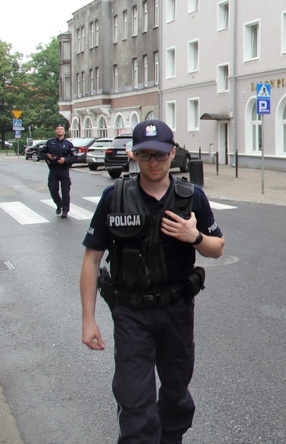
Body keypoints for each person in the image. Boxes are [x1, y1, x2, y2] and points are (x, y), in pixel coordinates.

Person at [79, 119, 225, 442]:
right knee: (135, 402)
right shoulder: (113, 198)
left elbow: (217, 248)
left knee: (175, 394)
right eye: (145, 155)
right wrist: (88, 320)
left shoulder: (192, 198)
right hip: (131, 314)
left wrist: (195, 236)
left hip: (176, 310)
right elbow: (91, 259)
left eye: (160, 154)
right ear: (134, 155)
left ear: (173, 153)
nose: (154, 162)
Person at [38, 122, 78, 218]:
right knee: (53, 190)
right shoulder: (50, 142)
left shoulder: (68, 144)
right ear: (55, 131)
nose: (59, 130)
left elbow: (75, 157)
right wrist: (47, 156)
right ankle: (59, 204)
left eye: (61, 129)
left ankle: (65, 210)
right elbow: (41, 153)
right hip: (53, 170)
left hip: (64, 170)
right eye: (58, 129)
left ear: (64, 132)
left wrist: (66, 160)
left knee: (65, 191)